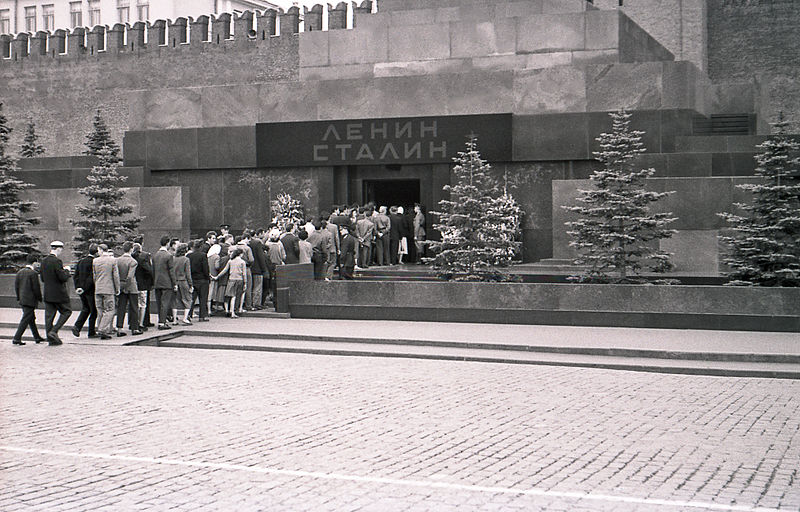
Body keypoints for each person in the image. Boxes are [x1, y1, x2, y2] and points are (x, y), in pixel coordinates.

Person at [40, 240, 72, 345]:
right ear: (58, 249)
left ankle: (50, 339)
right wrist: (67, 270)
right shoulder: (57, 261)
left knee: (49, 316)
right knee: (67, 311)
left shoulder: (44, 261)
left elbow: (43, 278)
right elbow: (62, 277)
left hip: (48, 293)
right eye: (61, 249)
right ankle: (54, 331)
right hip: (59, 293)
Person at [12, 253, 45, 345]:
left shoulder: (19, 272)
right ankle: (17, 338)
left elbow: (16, 287)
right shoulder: (33, 273)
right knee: (26, 319)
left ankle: (37, 337)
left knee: (31, 318)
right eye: (37, 263)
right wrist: (39, 298)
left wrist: (19, 297)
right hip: (30, 300)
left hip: (22, 299)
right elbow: (36, 288)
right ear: (34, 263)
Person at [92, 244, 120, 340]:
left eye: (98, 250)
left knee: (100, 310)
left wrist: (97, 285)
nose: (97, 252)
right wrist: (117, 288)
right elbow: (115, 276)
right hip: (108, 289)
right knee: (110, 310)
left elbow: (94, 276)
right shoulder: (113, 260)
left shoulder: (95, 261)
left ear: (101, 250)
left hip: (98, 289)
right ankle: (102, 329)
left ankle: (101, 329)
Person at [72, 244, 98, 339]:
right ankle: (91, 332)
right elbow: (91, 278)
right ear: (96, 252)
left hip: (81, 291)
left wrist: (78, 287)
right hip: (90, 290)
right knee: (93, 311)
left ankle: (77, 327)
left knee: (86, 308)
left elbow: (76, 276)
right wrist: (85, 288)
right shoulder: (94, 262)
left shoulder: (81, 261)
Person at [115, 241, 142, 337]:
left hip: (121, 286)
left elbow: (116, 275)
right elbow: (130, 277)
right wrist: (127, 286)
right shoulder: (133, 262)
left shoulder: (117, 260)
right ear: (131, 249)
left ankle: (119, 328)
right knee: (134, 307)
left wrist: (120, 286)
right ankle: (134, 328)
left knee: (121, 307)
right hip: (131, 287)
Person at [152, 235, 177, 330]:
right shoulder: (168, 256)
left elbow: (153, 270)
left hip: (157, 282)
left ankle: (160, 320)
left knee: (159, 303)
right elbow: (171, 271)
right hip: (167, 283)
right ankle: (162, 323)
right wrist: (174, 283)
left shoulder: (155, 255)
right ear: (167, 243)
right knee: (165, 303)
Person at [214, 247, 246, 318]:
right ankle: (236, 310)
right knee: (237, 296)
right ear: (240, 254)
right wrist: (245, 282)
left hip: (231, 280)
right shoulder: (242, 262)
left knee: (232, 296)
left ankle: (231, 312)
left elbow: (224, 270)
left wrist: (217, 276)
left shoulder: (230, 261)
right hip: (239, 280)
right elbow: (244, 274)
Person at [132, 241, 153, 330]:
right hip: (142, 284)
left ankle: (133, 323)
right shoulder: (142, 259)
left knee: (134, 305)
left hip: (133, 285)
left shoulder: (131, 259)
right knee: (143, 304)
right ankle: (141, 323)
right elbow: (149, 270)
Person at [188, 239, 211, 321]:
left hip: (193, 279)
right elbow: (205, 268)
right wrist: (208, 277)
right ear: (200, 247)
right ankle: (202, 316)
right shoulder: (203, 255)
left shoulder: (189, 256)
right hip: (202, 280)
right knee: (203, 298)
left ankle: (189, 314)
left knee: (192, 299)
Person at [173, 243, 194, 325]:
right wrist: (191, 285)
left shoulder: (173, 259)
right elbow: (188, 274)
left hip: (175, 281)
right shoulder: (186, 259)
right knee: (188, 299)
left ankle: (174, 320)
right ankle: (185, 318)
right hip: (183, 281)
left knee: (175, 300)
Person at [248, 229, 268, 310]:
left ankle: (250, 303)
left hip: (249, 268)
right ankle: (256, 303)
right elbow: (261, 257)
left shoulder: (247, 243)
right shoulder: (257, 243)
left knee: (250, 287)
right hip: (258, 268)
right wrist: (264, 269)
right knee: (257, 287)